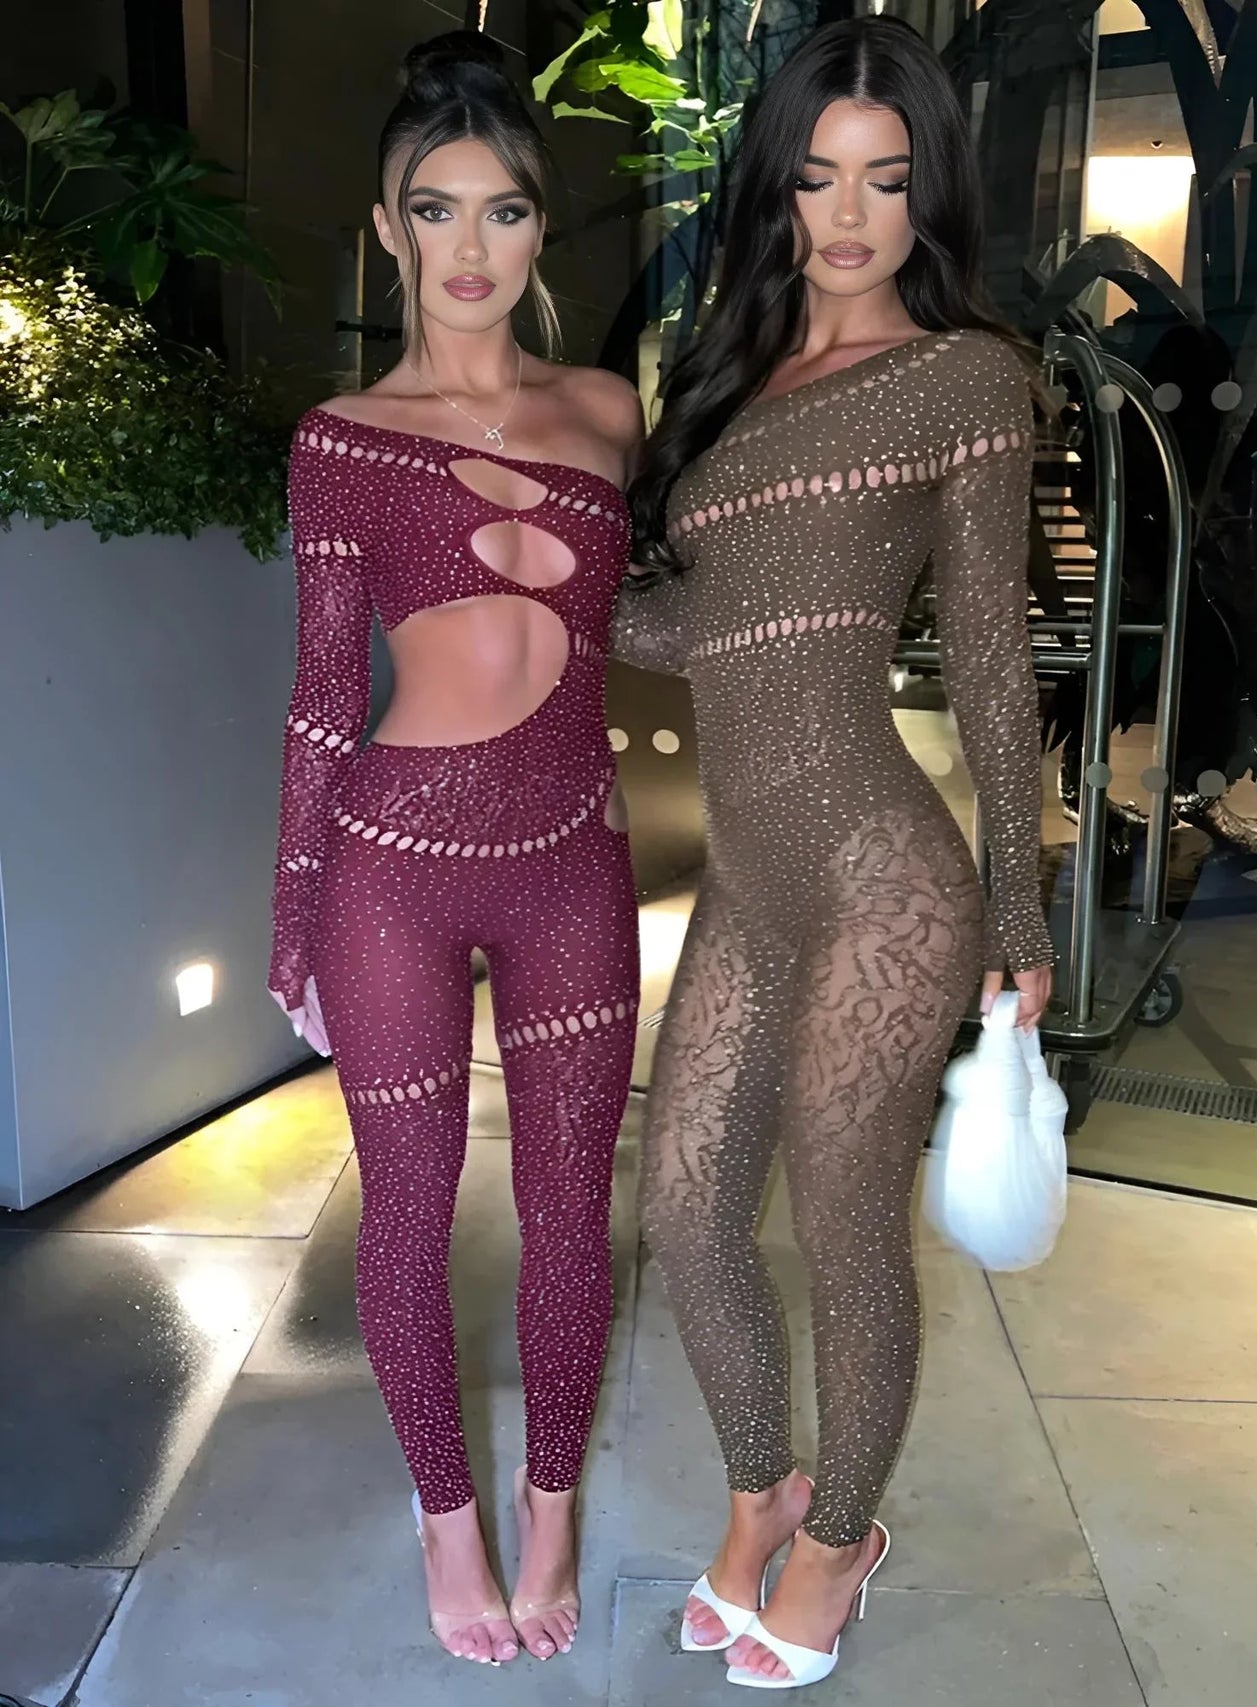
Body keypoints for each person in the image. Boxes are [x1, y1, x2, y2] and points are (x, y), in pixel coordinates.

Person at [615, 16, 1054, 1691]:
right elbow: (707, 633)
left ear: (926, 190)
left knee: (848, 1217)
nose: (850, 215)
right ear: (778, 188)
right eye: (817, 178)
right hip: (751, 879)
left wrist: (1020, 907)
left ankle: (843, 1534)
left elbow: (1000, 663)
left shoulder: (964, 378)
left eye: (885, 178)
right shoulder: (729, 381)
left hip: (888, 878)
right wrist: (553, 585)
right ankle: (760, 1496)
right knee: (691, 1206)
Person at [268, 32, 643, 1668]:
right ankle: (447, 1517)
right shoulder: (342, 438)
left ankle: (552, 1504)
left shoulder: (613, 410)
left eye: (502, 213)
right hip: (389, 877)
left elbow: (654, 615)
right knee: (408, 1216)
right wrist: (291, 917)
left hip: (574, 857)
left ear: (537, 230)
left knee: (574, 1214)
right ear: (388, 228)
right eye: (439, 212)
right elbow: (314, 701)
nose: (471, 249)